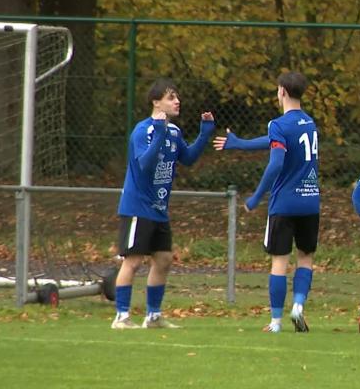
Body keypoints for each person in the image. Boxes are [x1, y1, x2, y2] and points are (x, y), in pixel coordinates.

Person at [216, 72, 320, 334]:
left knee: (279, 262)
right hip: (310, 202)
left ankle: (275, 322)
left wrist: (255, 197)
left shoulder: (278, 124)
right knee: (305, 257)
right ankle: (298, 306)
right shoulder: (309, 123)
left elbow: (276, 162)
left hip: (284, 204)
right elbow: (276, 143)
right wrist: (240, 144)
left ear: (282, 91)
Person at [112, 78, 214, 329]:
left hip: (158, 208)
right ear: (156, 102)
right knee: (133, 261)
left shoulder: (174, 132)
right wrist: (158, 133)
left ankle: (153, 316)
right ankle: (121, 316)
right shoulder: (143, 130)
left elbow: (188, 158)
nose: (177, 101)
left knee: (164, 259)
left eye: (177, 97)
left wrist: (205, 133)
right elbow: (145, 164)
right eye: (170, 97)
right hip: (137, 206)